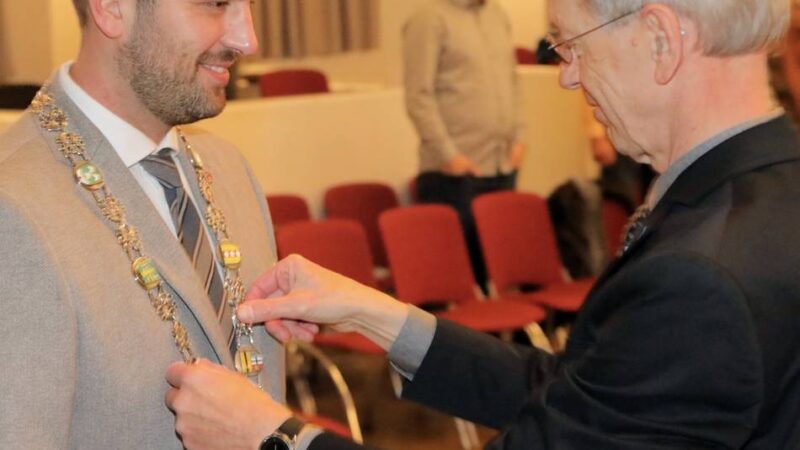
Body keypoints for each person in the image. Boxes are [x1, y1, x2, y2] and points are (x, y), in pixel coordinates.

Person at [166, 0, 800, 449]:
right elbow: (588, 399)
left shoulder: (699, 278)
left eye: (574, 46)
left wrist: (270, 437)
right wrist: (375, 313)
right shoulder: (770, 192)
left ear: (660, 40)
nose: (568, 76)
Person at [0, 0, 284, 448]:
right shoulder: (13, 207)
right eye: (215, 4)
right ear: (111, 8)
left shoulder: (230, 169)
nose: (247, 41)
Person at [404, 0, 523, 289]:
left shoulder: (496, 14)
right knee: (463, 282)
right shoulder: (429, 19)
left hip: (501, 165)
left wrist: (519, 137)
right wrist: (449, 155)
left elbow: (512, 81)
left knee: (500, 276)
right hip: (453, 175)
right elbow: (418, 96)